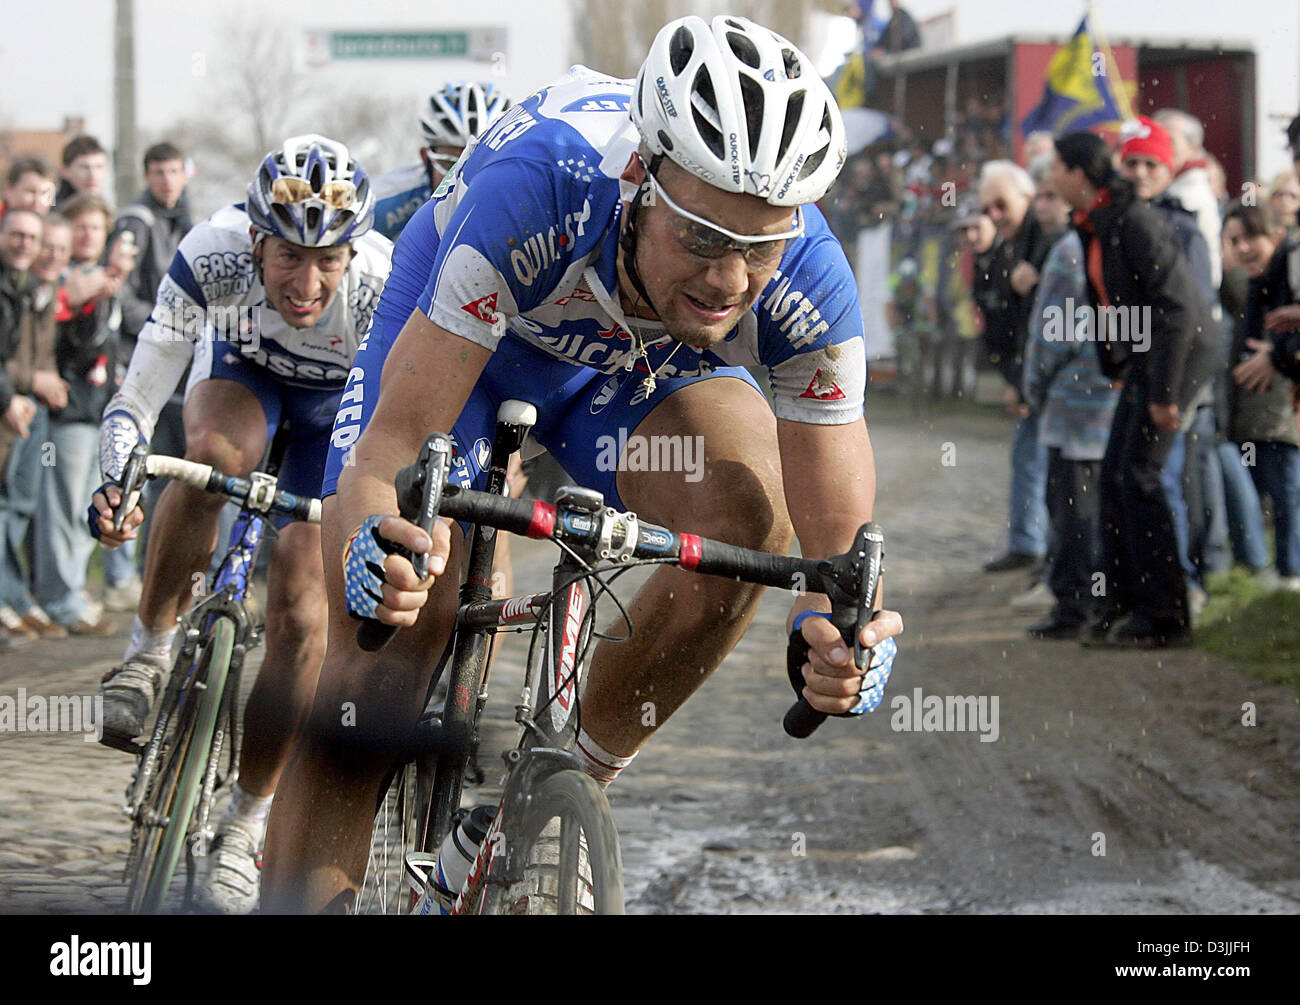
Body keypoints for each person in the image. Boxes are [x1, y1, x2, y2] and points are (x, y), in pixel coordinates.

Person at [261, 15, 905, 914]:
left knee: (750, 516)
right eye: (705, 239)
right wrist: (375, 526)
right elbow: (393, 450)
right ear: (642, 178)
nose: (731, 279)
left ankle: (546, 790)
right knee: (390, 644)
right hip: (480, 349)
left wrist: (838, 634)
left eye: (761, 247)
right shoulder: (540, 187)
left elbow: (837, 557)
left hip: (635, 371)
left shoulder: (807, 275)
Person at [90, 134, 393, 913]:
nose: (307, 281)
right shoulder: (213, 253)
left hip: (334, 414)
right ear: (255, 239)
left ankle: (245, 822)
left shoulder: (381, 284)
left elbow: (395, 426)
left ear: (352, 254)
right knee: (212, 456)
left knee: (300, 605)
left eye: (328, 260)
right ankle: (149, 649)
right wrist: (114, 475)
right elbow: (137, 392)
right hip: (243, 375)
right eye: (289, 255)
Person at [1053, 131, 1216, 647]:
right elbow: (1110, 301)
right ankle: (1120, 605)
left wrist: (1166, 393)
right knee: (1117, 482)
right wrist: (1116, 362)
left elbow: (1181, 309)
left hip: (1180, 359)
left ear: (1078, 174)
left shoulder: (1136, 220)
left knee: (1141, 481)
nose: (1051, 177)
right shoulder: (1095, 220)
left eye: (1057, 167)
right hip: (1147, 362)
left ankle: (1167, 617)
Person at [27, 194, 132, 637]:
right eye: (81, 227)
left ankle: (68, 593)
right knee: (63, 508)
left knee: (85, 504)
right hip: (67, 411)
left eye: (95, 227)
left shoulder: (102, 279)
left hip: (97, 409)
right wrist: (78, 299)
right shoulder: (62, 281)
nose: (88, 235)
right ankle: (58, 597)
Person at [1021, 177, 1119, 638]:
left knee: (1073, 512)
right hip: (1120, 401)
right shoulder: (1125, 239)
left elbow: (1050, 335)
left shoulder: (1070, 250)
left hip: (1074, 406)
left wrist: (1033, 386)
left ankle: (1074, 608)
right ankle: (1106, 604)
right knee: (1106, 511)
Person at [104, 141, 195, 611]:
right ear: (146, 175)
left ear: (186, 172)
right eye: (157, 172)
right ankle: (130, 578)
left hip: (183, 373)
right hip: (145, 365)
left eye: (174, 170)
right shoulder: (135, 222)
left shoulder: (185, 218)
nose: (166, 180)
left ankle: (170, 576)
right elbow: (120, 298)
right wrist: (175, 324)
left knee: (185, 478)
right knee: (142, 473)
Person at [977, 160, 1052, 573]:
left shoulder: (1047, 239)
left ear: (1028, 197)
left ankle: (1042, 550)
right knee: (1029, 459)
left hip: (1057, 376)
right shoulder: (1010, 246)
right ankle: (1030, 543)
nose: (993, 216)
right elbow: (1002, 322)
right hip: (1029, 371)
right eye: (988, 208)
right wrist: (1014, 377)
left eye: (1001, 205)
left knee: (1051, 466)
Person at [0, 214, 71, 646]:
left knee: (23, 503)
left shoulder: (34, 290)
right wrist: (21, 391)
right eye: (20, 236)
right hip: (15, 408)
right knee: (9, 505)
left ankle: (17, 597)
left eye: (46, 244)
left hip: (33, 411)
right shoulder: (16, 288)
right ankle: (11, 599)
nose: (47, 253)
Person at [1223, 202, 1300, 590]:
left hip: (1282, 410)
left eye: (1251, 237)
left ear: (1277, 235)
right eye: (1235, 240)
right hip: (1270, 406)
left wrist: (1278, 353)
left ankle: (1292, 570)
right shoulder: (1260, 282)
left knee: (1289, 490)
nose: (1243, 248)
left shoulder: (1290, 264)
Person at [372, 82, 512, 242]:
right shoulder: (386, 201)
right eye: (450, 163)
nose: (464, 177)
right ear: (426, 159)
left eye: (482, 162)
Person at [55, 136, 111, 207]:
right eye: (84, 167)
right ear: (64, 170)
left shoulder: (105, 205)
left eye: (99, 167)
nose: (93, 175)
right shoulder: (52, 209)